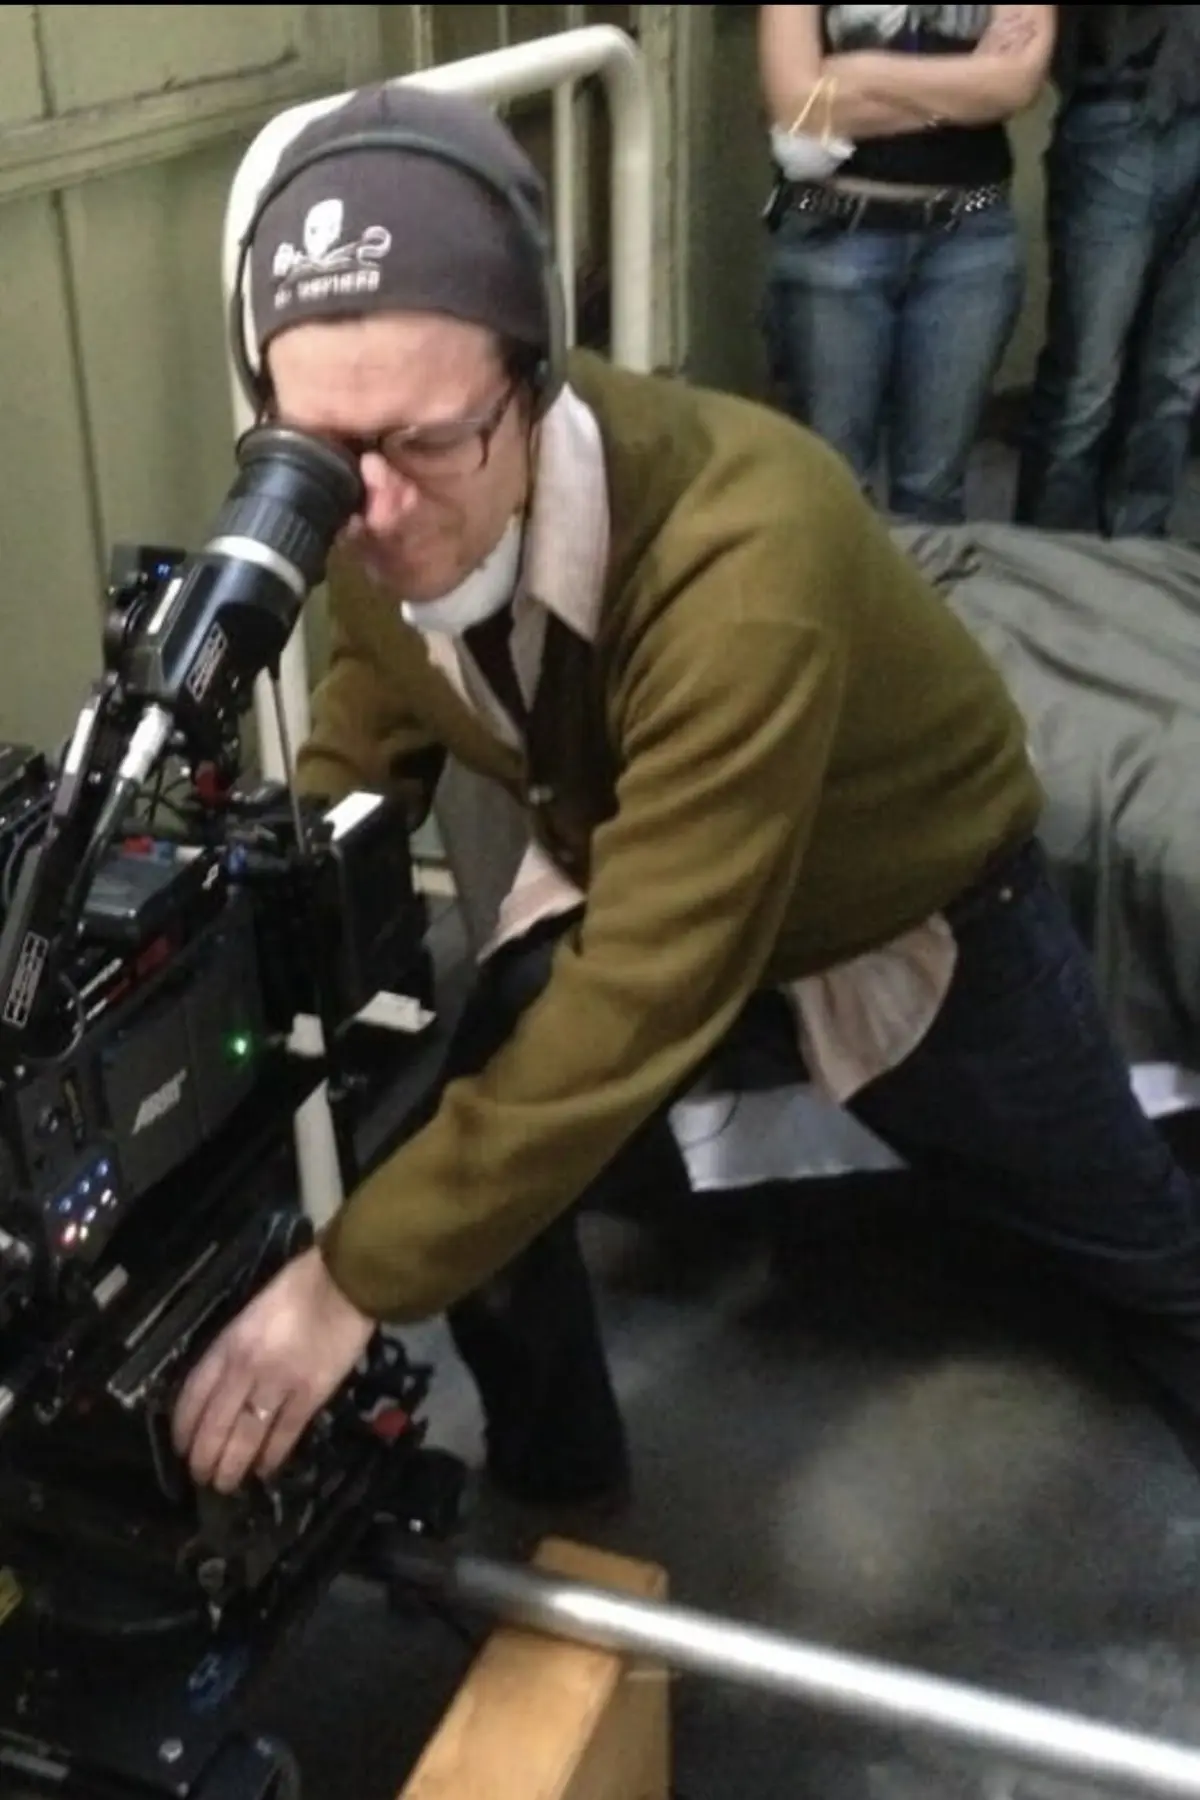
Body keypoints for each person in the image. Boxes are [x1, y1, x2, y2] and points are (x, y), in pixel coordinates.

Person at [174, 81, 1200, 1515]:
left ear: (536, 382)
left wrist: (348, 1281)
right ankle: (561, 1512)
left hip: (898, 896)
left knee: (1132, 1240)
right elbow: (374, 693)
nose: (374, 509)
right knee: (476, 1147)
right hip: (629, 844)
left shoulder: (746, 558)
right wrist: (263, 891)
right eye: (321, 451)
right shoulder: (370, 494)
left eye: (427, 441)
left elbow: (647, 990)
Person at [759, 4, 1055, 523]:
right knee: (832, 486)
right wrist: (967, 88)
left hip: (970, 238)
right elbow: (799, 107)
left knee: (934, 495)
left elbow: (1015, 86)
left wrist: (862, 72)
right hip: (837, 235)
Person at [1015, 5, 1200, 538]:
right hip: (1123, 105)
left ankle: (1138, 552)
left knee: (1176, 378)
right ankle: (1051, 558)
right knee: (1086, 379)